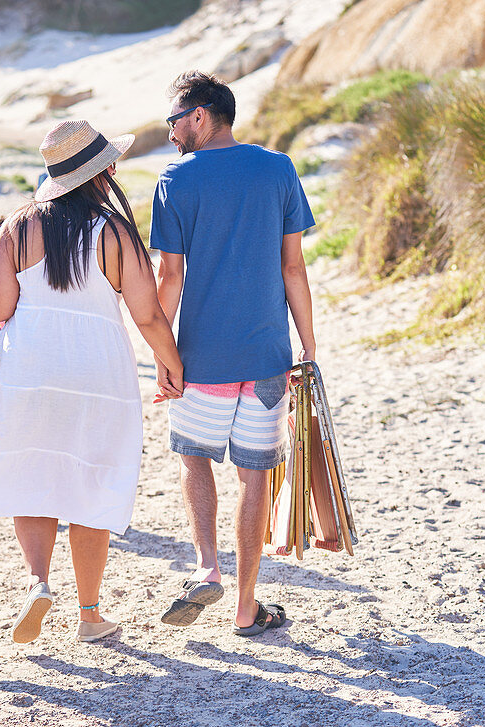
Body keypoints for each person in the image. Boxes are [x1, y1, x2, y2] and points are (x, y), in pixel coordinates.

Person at [0, 120, 184, 644]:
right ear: (105, 171)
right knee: (91, 483)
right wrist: (171, 363)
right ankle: (91, 614)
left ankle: (37, 583)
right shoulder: (115, 231)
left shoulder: (17, 225)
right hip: (98, 372)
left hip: (28, 370)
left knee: (32, 478)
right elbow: (146, 315)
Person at [150, 70, 317, 637]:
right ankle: (247, 608)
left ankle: (206, 566)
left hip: (201, 357)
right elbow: (293, 268)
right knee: (254, 479)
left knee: (195, 459)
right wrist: (308, 350)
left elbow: (170, 278)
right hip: (268, 355)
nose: (170, 133)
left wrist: (162, 353)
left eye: (174, 120)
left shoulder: (175, 179)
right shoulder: (279, 169)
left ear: (200, 115)